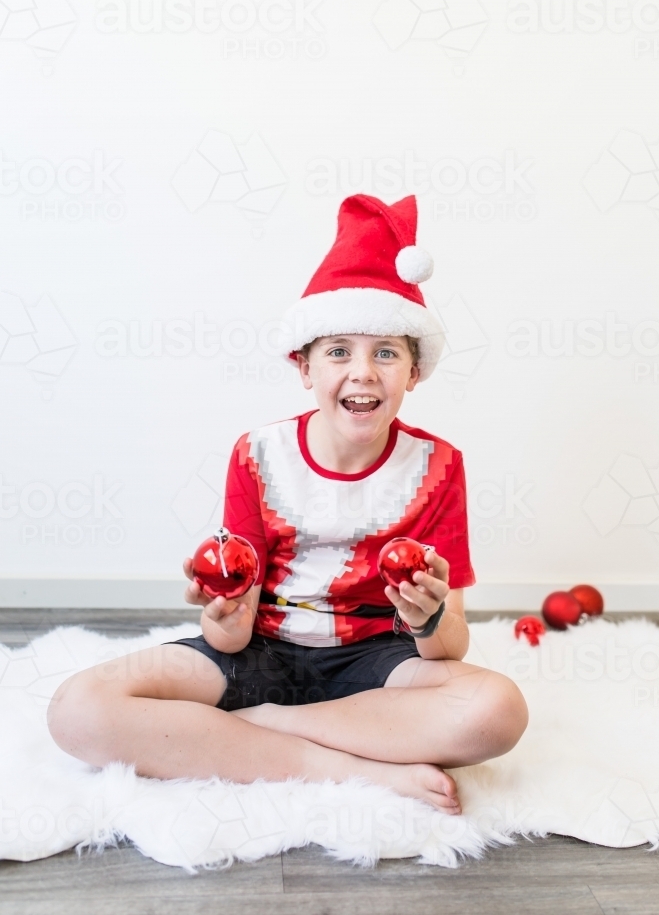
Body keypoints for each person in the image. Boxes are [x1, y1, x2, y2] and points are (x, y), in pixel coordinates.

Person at [48, 193, 528, 814]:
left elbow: (448, 650)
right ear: (303, 367)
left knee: (498, 710)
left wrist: (430, 615)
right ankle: (347, 767)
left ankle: (258, 731)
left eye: (386, 352)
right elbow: (230, 635)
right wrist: (222, 613)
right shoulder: (258, 454)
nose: (362, 372)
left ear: (415, 372)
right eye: (338, 351)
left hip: (378, 662)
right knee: (78, 709)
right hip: (262, 651)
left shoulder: (439, 466)